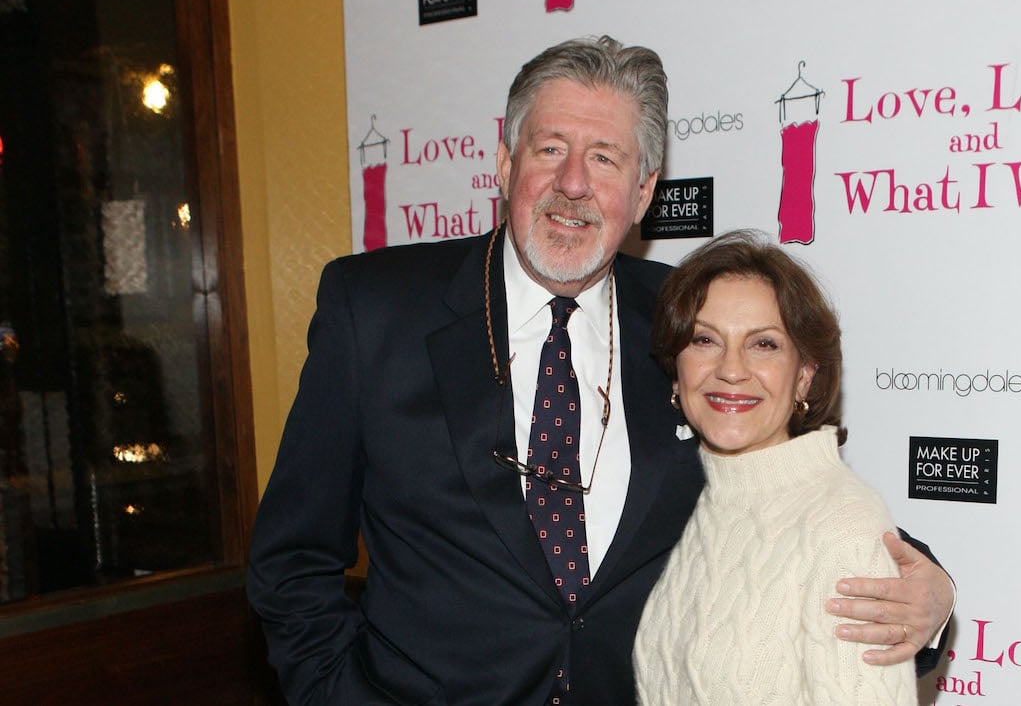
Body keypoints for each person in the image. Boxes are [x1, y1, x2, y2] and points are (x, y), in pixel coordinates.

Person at [247, 35, 952, 705]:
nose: (573, 183)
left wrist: (927, 589)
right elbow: (292, 561)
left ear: (643, 193)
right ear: (504, 163)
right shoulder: (374, 310)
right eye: (550, 148)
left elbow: (789, 485)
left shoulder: (688, 324)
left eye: (606, 159)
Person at [634, 231, 916, 704]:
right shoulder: (694, 500)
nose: (731, 369)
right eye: (705, 339)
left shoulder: (843, 525)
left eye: (763, 344)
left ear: (805, 373)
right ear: (676, 369)